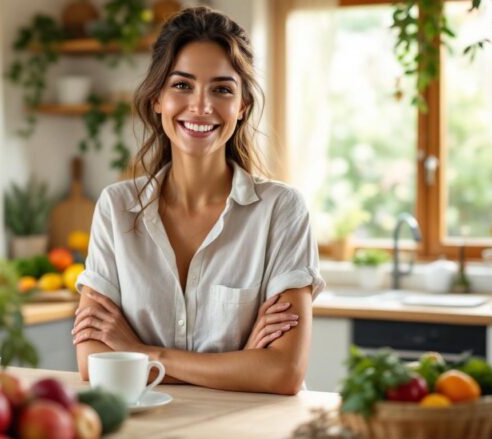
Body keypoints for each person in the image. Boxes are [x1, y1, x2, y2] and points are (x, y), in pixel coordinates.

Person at [72, 6, 325, 395]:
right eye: (182, 85)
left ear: (242, 107)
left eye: (222, 89)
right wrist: (243, 364)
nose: (202, 106)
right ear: (157, 98)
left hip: (253, 425)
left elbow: (283, 372)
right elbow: (93, 362)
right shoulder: (117, 207)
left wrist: (141, 353)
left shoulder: (281, 209)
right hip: (150, 425)